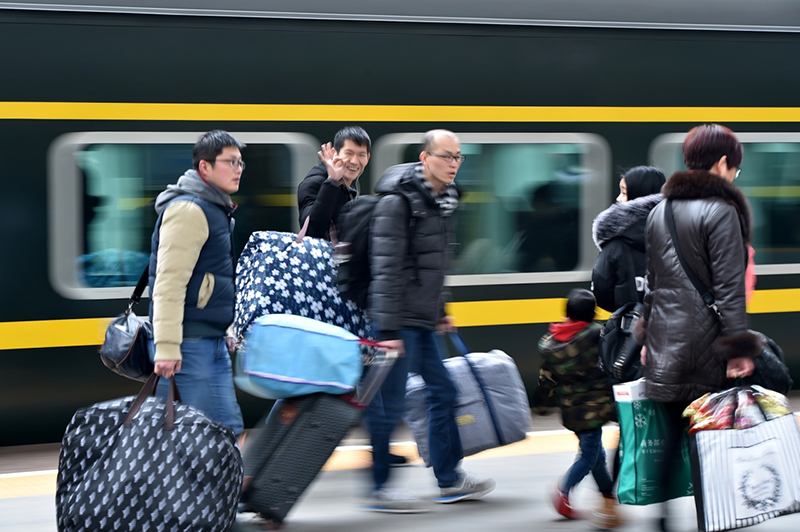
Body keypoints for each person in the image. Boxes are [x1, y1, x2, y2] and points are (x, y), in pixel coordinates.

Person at [633, 124, 760, 531]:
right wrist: (738, 348)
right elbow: (729, 288)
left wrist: (646, 337)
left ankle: (664, 519)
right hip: (705, 345)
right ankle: (713, 519)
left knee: (673, 434)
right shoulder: (721, 211)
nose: (734, 175)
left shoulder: (659, 211)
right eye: (735, 167)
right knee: (712, 439)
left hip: (666, 342)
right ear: (723, 163)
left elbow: (650, 284)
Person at [363, 129, 495, 512]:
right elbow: (386, 268)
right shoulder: (398, 202)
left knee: (444, 392)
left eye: (458, 157)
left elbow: (434, 264)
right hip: (395, 323)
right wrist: (387, 331)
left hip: (421, 319)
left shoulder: (445, 200)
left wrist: (440, 310)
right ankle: (380, 487)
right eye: (446, 156)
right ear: (425, 158)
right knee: (388, 406)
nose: (454, 164)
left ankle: (449, 479)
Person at [148, 130, 245, 436]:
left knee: (187, 434)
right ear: (205, 167)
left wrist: (226, 328)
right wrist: (166, 347)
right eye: (230, 162)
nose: (238, 169)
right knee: (220, 432)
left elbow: (214, 279)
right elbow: (168, 282)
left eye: (241, 162)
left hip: (209, 340)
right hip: (190, 344)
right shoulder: (190, 209)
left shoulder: (214, 207)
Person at [538, 289, 619, 529]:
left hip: (571, 410)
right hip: (594, 408)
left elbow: (546, 378)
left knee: (596, 454)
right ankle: (563, 490)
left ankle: (607, 495)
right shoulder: (596, 335)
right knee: (589, 454)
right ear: (591, 314)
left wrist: (543, 404)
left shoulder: (552, 342)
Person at [591, 166, 666, 312]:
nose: (618, 199)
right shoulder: (681, 234)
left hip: (631, 328)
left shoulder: (615, 244)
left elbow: (601, 291)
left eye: (624, 193)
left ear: (638, 195)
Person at [297, 126, 371, 239]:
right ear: (334, 153)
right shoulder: (314, 182)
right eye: (349, 153)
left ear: (368, 158)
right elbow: (311, 230)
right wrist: (332, 182)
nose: (355, 161)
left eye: (361, 155)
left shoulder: (349, 190)